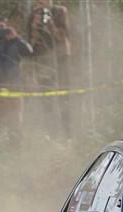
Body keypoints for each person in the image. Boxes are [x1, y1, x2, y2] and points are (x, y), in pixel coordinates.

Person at [27, 0, 72, 138]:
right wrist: (35, 26)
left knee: (64, 94)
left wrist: (51, 25)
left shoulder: (59, 11)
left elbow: (63, 36)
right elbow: (30, 43)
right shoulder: (33, 15)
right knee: (46, 97)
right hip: (42, 59)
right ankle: (51, 134)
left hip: (60, 58)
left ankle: (68, 132)